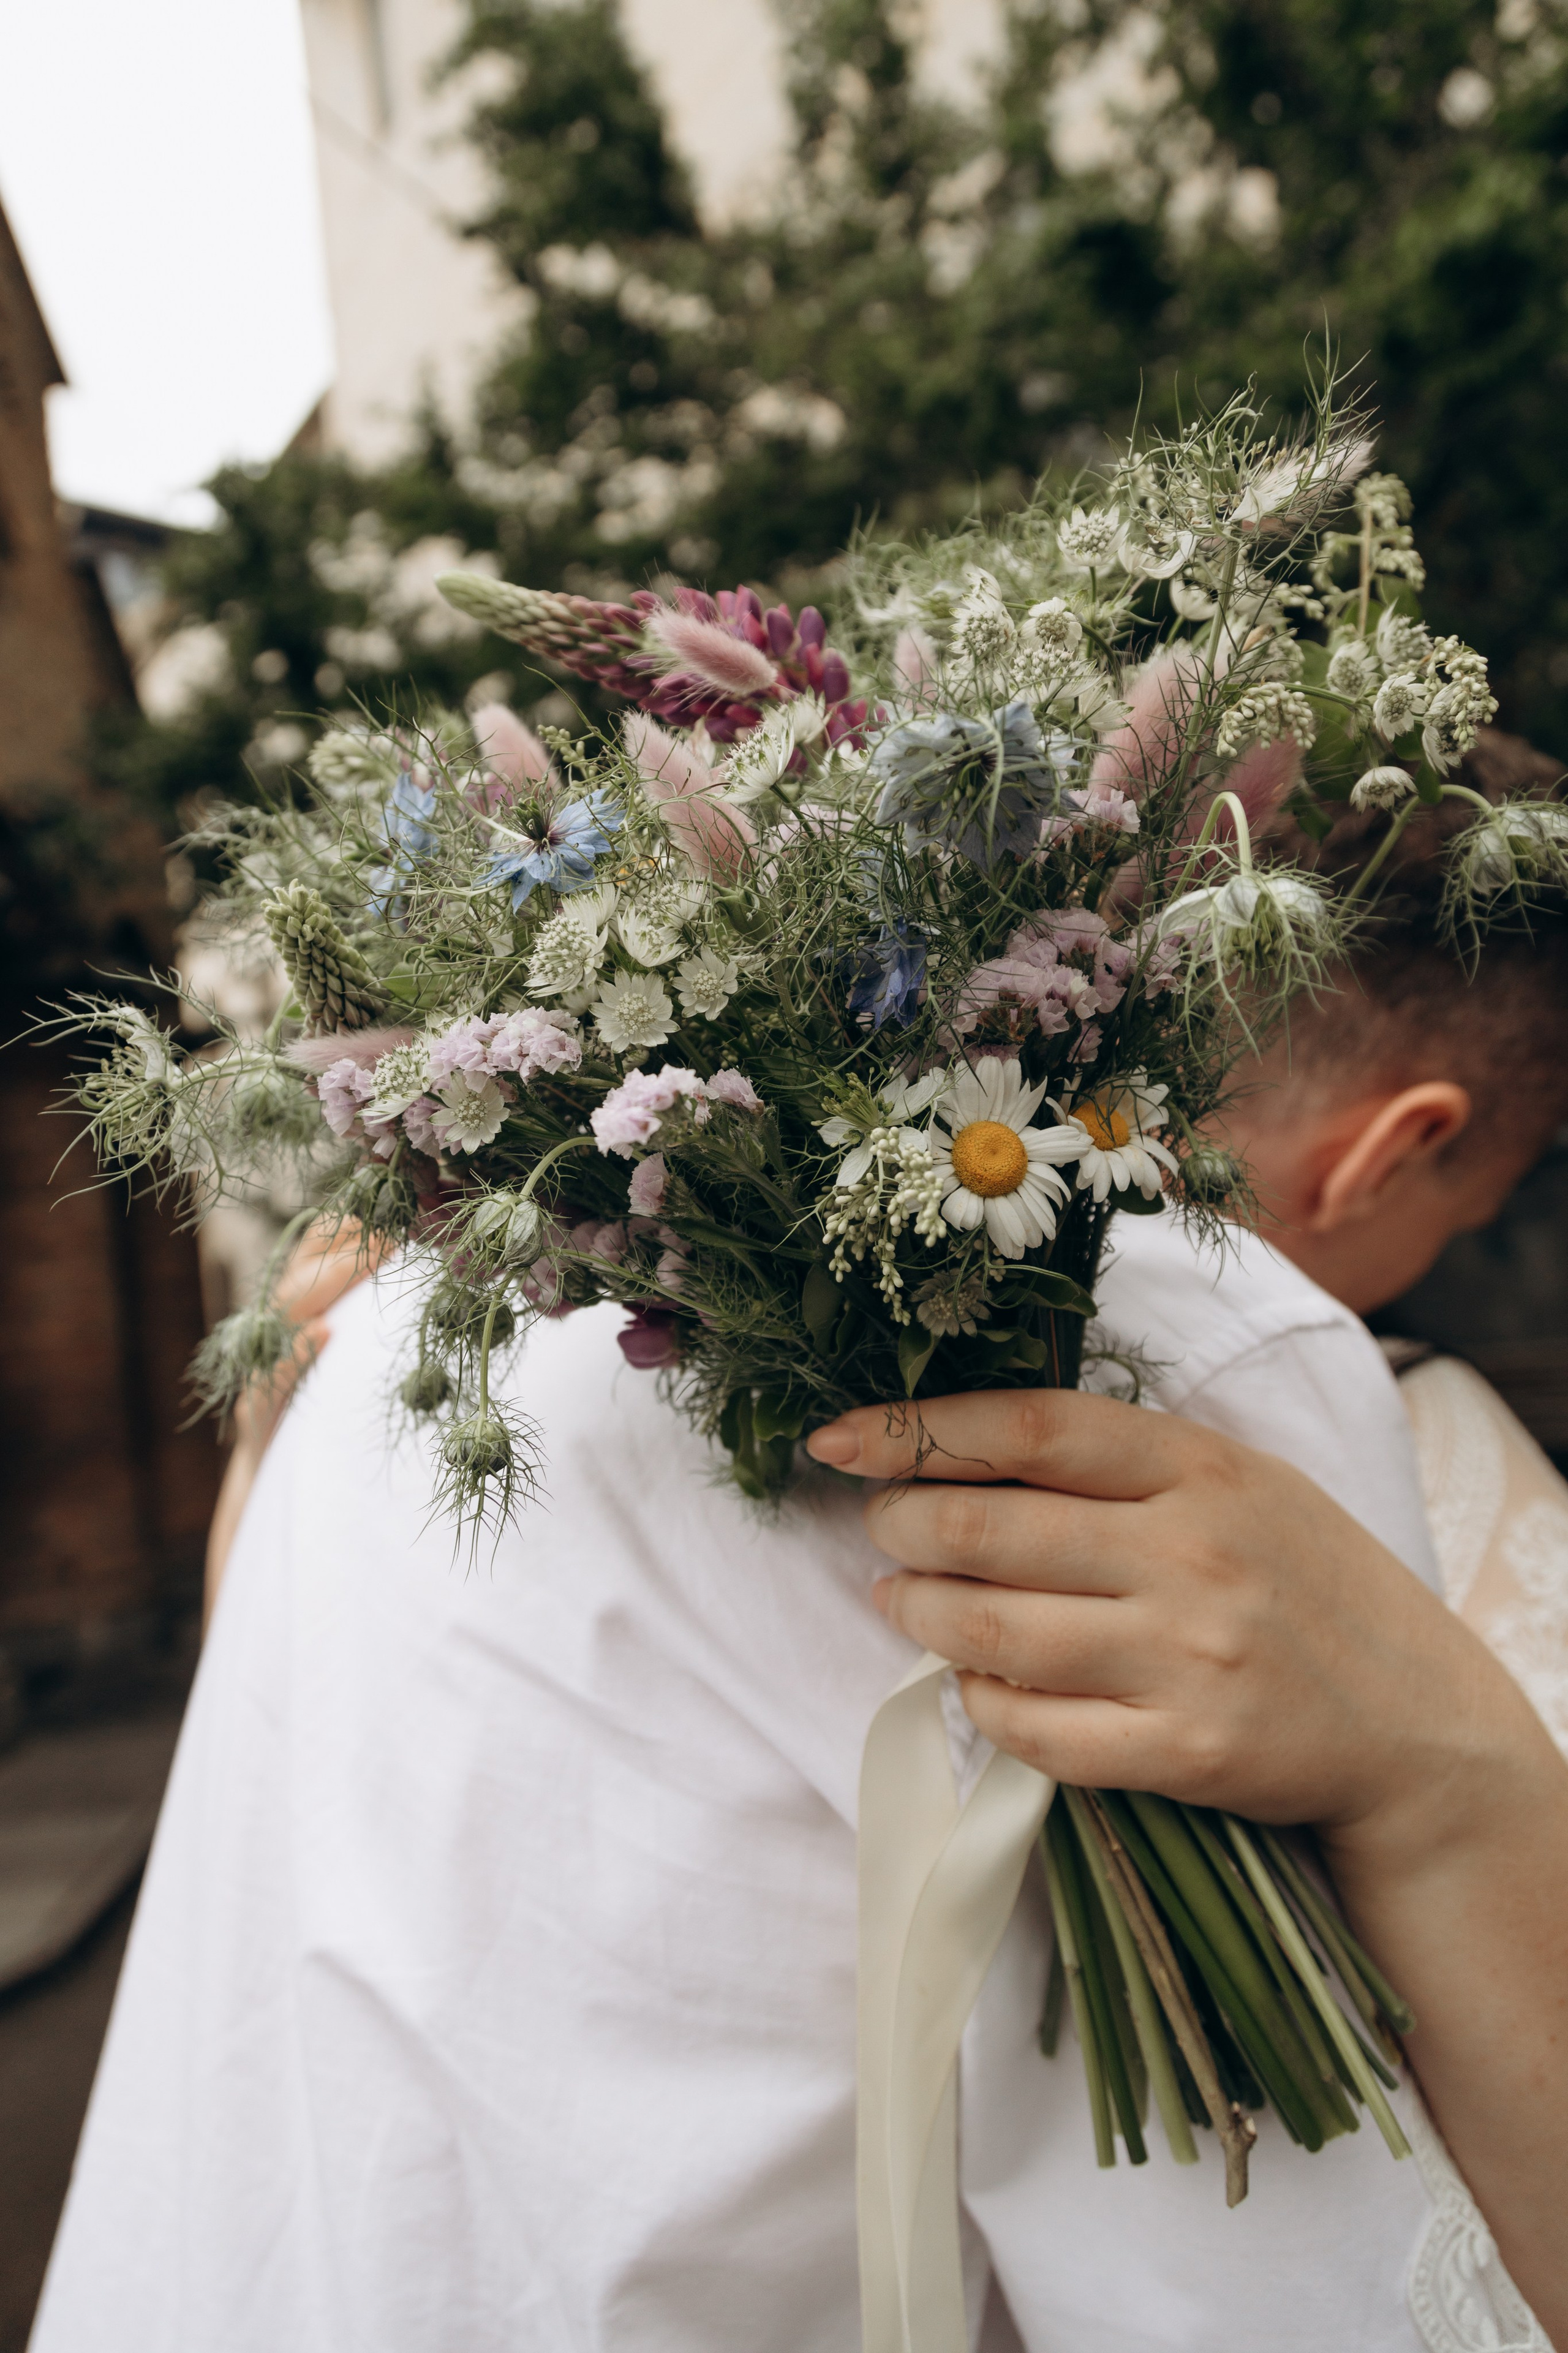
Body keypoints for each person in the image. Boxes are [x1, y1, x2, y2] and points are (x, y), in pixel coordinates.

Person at [30, 750, 1568, 2353]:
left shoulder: (411, 1301)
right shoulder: (1182, 1369)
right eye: (1462, 1223)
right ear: (1402, 1149)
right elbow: (1277, 2294)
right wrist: (1455, 1762)